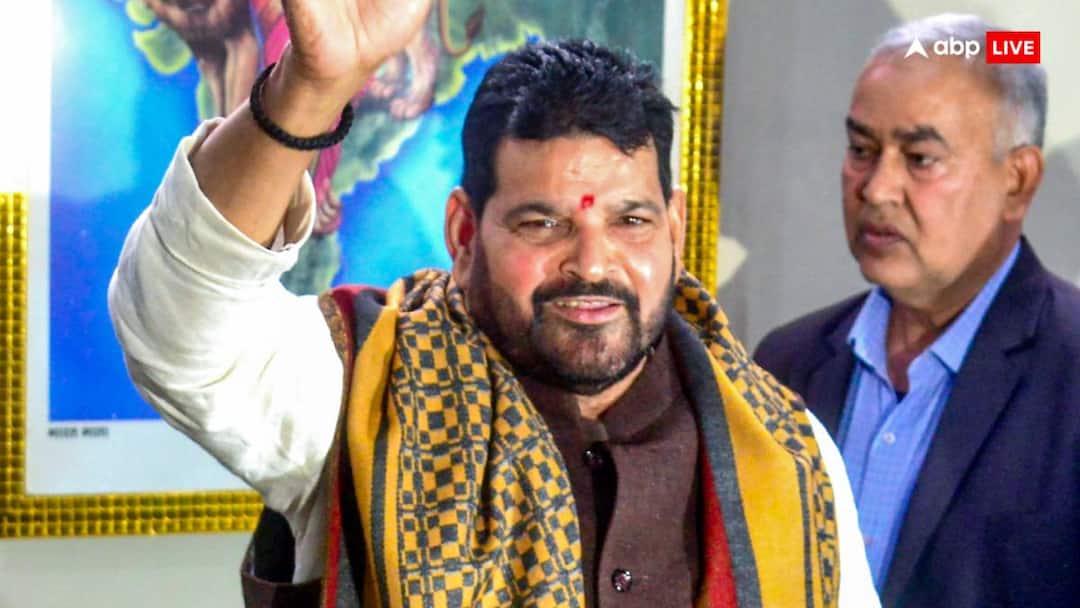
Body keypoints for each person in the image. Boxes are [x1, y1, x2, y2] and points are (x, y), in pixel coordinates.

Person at [109, 1, 876, 606]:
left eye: (630, 222)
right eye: (542, 223)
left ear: (673, 229)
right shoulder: (361, 395)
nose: (592, 264)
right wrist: (309, 89)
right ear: (465, 233)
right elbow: (178, 321)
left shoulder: (783, 451)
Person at [754, 13, 1080, 608]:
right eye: (861, 150)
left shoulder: (1070, 365)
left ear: (1018, 180)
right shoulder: (785, 363)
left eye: (920, 158)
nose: (876, 188)